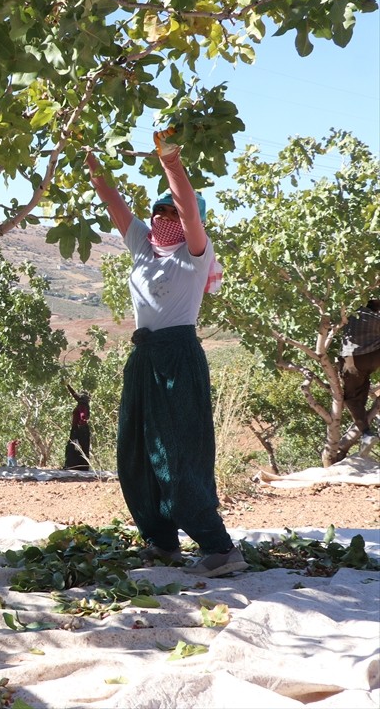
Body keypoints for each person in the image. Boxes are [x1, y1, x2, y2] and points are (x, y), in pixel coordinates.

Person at [86, 130, 247, 577]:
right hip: (143, 359)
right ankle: (161, 542)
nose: (163, 217)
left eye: (170, 211)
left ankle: (219, 547)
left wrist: (171, 163)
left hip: (178, 357)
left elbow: (190, 211)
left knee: (178, 455)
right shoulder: (143, 246)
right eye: (158, 211)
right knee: (136, 453)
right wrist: (90, 159)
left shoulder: (195, 253)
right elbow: (113, 202)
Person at [341, 299, 380, 452]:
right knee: (363, 386)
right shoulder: (377, 318)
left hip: (354, 361)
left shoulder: (351, 313)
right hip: (374, 358)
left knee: (352, 398)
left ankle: (366, 433)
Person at [63, 384, 92, 471]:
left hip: (79, 430)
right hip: (81, 429)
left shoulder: (82, 406)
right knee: (80, 448)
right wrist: (67, 385)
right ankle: (80, 466)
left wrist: (78, 430)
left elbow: (83, 417)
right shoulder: (83, 404)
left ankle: (74, 466)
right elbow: (74, 394)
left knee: (74, 447)